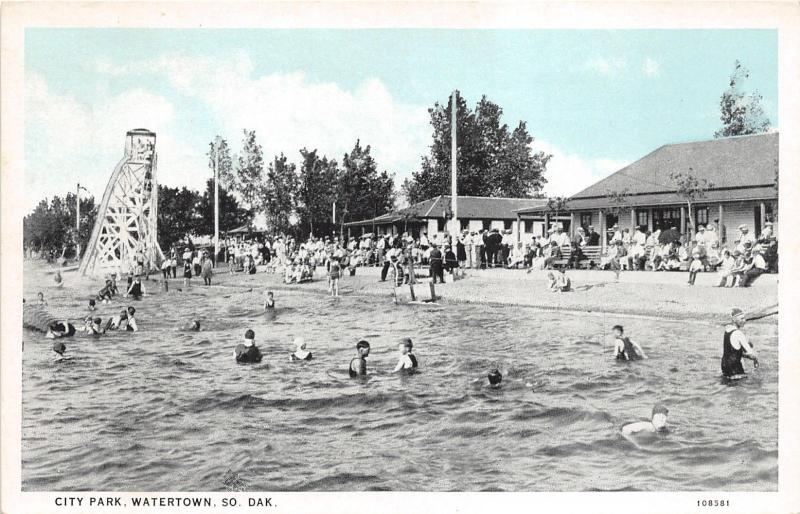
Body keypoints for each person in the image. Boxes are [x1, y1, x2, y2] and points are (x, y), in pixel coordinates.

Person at [721, 308, 759, 379]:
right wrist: (755, 358)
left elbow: (733, 353)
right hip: (735, 370)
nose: (744, 321)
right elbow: (751, 353)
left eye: (744, 318)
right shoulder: (739, 334)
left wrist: (745, 354)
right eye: (741, 319)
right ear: (734, 320)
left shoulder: (727, 331)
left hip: (725, 368)